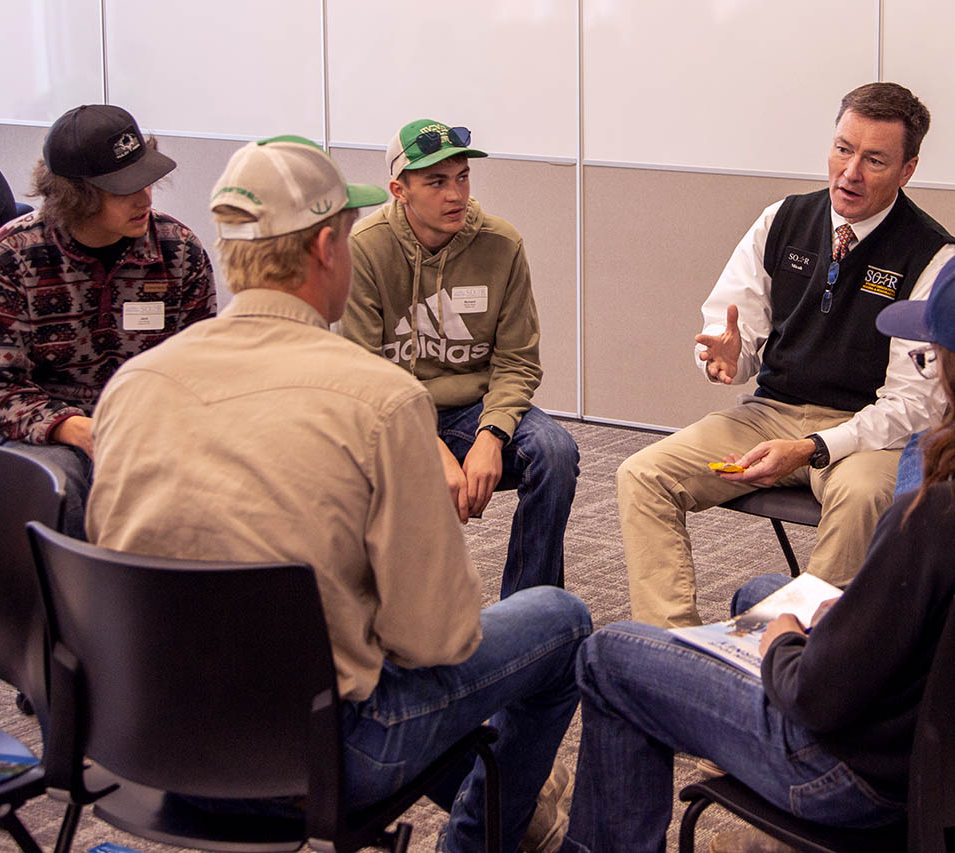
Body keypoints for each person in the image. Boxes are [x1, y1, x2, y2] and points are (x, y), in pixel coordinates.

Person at [86, 135, 591, 853]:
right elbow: (438, 638)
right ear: (327, 247)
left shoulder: (132, 387)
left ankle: (514, 812)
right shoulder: (379, 400)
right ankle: (484, 837)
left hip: (144, 747)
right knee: (562, 619)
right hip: (320, 762)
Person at [562, 246, 955, 852]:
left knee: (611, 656)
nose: (933, 372)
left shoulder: (943, 513)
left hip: (866, 781)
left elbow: (815, 695)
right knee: (760, 593)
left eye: (931, 356)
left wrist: (786, 641)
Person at [618, 82, 955, 628]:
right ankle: (670, 648)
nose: (850, 173)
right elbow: (734, 332)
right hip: (770, 415)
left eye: (874, 160)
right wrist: (728, 357)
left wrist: (811, 448)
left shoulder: (934, 257)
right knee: (643, 475)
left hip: (866, 433)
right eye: (843, 148)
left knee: (863, 498)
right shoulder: (782, 220)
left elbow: (912, 408)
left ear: (907, 169)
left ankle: (803, 660)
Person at [340, 118, 579, 598]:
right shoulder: (365, 250)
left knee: (555, 452)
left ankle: (531, 611)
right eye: (436, 182)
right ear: (398, 190)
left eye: (462, 178)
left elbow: (517, 361)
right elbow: (365, 376)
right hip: (396, 413)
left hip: (472, 409)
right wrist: (429, 448)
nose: (456, 195)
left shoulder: (501, 243)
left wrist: (491, 435)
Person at [0, 104, 215, 538]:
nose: (146, 198)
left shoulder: (178, 250)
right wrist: (76, 429)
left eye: (146, 180)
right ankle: (67, 602)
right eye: (123, 189)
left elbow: (200, 369)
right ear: (75, 195)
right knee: (56, 484)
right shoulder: (10, 257)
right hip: (51, 434)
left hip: (152, 425)